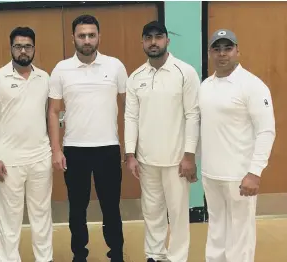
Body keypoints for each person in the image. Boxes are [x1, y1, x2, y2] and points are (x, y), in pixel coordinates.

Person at [47, 14, 127, 262]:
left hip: (108, 149)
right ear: (73, 38)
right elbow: (53, 110)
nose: (87, 40)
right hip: (75, 150)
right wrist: (56, 149)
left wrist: (131, 146)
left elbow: (129, 108)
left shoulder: (115, 66)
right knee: (77, 209)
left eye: (91, 35)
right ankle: (79, 254)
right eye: (82, 35)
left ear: (99, 37)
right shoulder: (61, 69)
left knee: (111, 207)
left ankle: (116, 254)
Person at [124, 20, 201, 262]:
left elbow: (193, 114)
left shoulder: (185, 72)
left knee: (178, 214)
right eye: (149, 38)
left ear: (167, 40)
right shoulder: (136, 77)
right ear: (143, 43)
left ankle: (177, 257)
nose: (154, 42)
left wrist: (189, 155)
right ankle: (154, 255)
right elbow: (130, 117)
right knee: (152, 211)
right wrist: (130, 154)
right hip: (147, 160)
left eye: (159, 37)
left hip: (177, 160)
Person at [199, 29, 276, 262]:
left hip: (240, 176)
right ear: (210, 53)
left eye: (228, 48)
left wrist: (254, 172)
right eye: (217, 49)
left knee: (240, 238)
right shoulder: (206, 85)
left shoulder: (252, 85)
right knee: (216, 232)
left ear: (237, 51)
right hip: (211, 175)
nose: (222, 54)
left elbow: (266, 130)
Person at [0, 26, 54, 262]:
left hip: (40, 159)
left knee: (42, 216)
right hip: (8, 162)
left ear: (34, 48)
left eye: (27, 46)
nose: (23, 51)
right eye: (18, 46)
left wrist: (54, 151)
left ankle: (44, 259)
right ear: (11, 48)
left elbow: (50, 116)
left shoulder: (44, 78)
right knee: (9, 220)